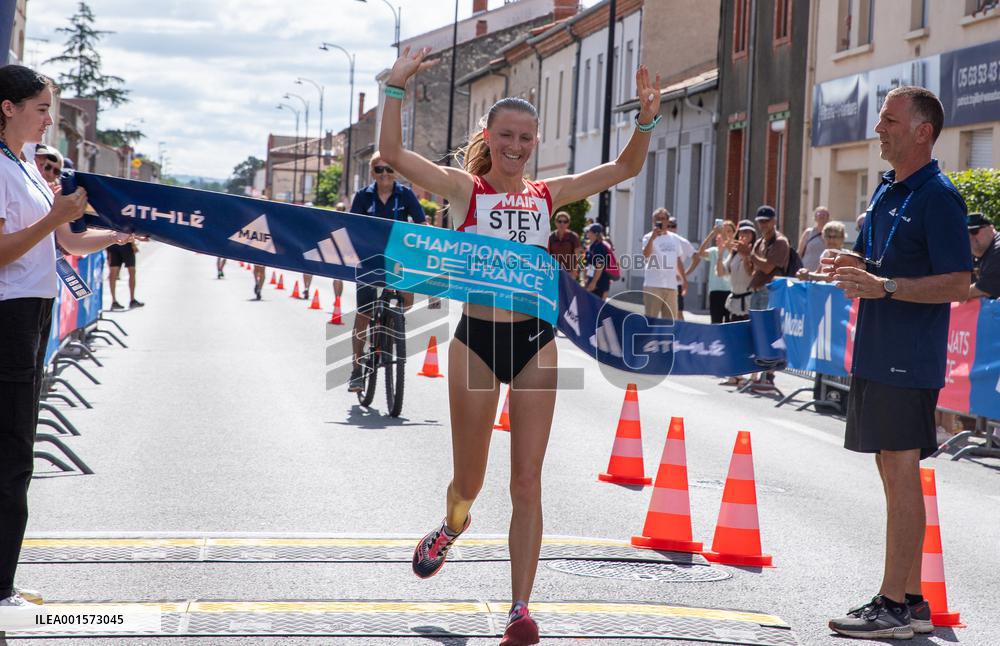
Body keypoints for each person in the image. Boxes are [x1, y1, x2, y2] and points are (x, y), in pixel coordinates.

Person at [378, 47, 661, 646]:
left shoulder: (545, 194)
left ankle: (519, 610)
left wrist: (647, 120)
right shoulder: (464, 189)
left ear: (536, 140)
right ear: (489, 135)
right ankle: (454, 525)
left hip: (535, 342)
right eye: (506, 135)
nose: (515, 146)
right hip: (476, 343)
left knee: (527, 481)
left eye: (526, 137)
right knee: (471, 482)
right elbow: (396, 156)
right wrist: (396, 87)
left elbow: (622, 170)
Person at [825, 86, 971, 640]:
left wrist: (883, 285)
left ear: (921, 132)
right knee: (891, 471)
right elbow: (882, 266)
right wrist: (853, 263)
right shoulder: (888, 189)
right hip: (878, 352)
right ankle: (910, 602)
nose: (878, 129)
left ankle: (891, 605)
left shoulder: (938, 195)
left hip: (909, 359)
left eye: (888, 120)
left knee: (903, 471)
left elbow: (959, 281)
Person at [0, 65, 138, 608]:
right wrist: (53, 216)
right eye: (40, 107)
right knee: (10, 454)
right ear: (7, 108)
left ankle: (4, 581)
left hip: (34, 313)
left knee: (17, 453)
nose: (49, 118)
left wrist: (123, 233)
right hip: (8, 316)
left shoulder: (29, 166)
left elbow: (68, 244)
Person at [347, 151, 426, 392]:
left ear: (396, 173)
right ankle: (357, 369)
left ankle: (391, 327)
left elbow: (421, 223)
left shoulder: (406, 194)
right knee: (363, 315)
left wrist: (423, 244)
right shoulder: (363, 196)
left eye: (389, 169)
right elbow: (351, 227)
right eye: (379, 170)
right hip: (369, 260)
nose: (385, 174)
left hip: (398, 259)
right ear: (372, 173)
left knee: (406, 302)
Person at [640, 208, 689, 320]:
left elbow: (678, 260)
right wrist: (652, 238)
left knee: (670, 322)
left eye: (663, 218)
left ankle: (666, 339)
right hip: (653, 285)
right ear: (653, 221)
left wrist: (684, 280)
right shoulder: (648, 237)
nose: (660, 221)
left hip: (671, 286)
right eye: (657, 219)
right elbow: (646, 255)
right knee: (651, 321)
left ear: (668, 221)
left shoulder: (675, 239)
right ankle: (649, 338)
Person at [687, 219, 736, 323]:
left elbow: (731, 249)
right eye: (724, 230)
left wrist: (723, 236)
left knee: (729, 322)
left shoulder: (734, 250)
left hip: (730, 291)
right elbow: (700, 253)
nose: (725, 233)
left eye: (729, 231)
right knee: (715, 322)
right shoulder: (714, 251)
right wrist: (712, 234)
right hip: (715, 291)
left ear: (734, 233)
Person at [665, 216, 693, 319]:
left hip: (676, 284)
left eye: (673, 226)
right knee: (664, 313)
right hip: (662, 283)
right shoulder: (659, 240)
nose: (671, 228)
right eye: (668, 226)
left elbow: (696, 257)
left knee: (678, 312)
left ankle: (681, 334)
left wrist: (684, 274)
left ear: (676, 228)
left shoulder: (682, 242)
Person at [967, 212, 999, 299]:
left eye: (974, 231)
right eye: (965, 233)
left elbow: (985, 288)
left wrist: (953, 295)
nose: (969, 236)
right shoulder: (976, 254)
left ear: (991, 228)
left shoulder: (998, 249)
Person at [107, 239, 143, 310]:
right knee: (131, 271)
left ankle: (114, 301)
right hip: (125, 243)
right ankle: (131, 300)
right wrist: (134, 244)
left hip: (114, 243)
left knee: (113, 272)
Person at [547, 210, 582, 281]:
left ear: (568, 223)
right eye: (559, 221)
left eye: (565, 222)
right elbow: (547, 255)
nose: (562, 224)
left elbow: (579, 255)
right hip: (554, 272)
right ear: (555, 222)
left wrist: (575, 271)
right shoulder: (550, 237)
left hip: (569, 272)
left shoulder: (573, 237)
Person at [584, 223, 613, 300]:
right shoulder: (593, 246)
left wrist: (594, 282)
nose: (587, 233)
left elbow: (599, 266)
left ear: (595, 234)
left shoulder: (600, 247)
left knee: (597, 309)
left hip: (599, 284)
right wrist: (587, 278)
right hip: (594, 282)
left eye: (589, 231)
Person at [797, 206, 831, 272]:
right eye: (819, 214)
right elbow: (799, 252)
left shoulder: (831, 234)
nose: (821, 216)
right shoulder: (808, 232)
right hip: (806, 270)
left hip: (823, 272)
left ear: (828, 218)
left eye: (824, 215)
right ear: (815, 217)